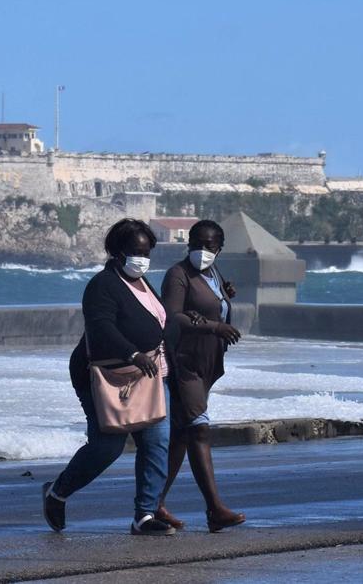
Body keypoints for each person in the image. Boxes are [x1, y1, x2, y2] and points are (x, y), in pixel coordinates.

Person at [43, 218, 175, 536]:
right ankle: (57, 492)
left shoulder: (143, 283)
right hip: (108, 376)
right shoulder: (103, 285)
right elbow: (101, 326)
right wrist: (133, 353)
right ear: (117, 252)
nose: (142, 258)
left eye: (147, 252)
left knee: (157, 441)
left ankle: (144, 515)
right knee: (108, 447)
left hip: (150, 376)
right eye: (135, 252)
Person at [156, 219, 246, 533]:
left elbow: (210, 305)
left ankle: (153, 505)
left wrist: (225, 298)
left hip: (208, 363)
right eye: (197, 244)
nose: (202, 251)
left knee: (182, 435)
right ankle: (214, 509)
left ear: (219, 249)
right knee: (199, 431)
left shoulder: (213, 273)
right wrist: (214, 327)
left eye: (210, 246)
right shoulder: (178, 275)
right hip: (185, 363)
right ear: (189, 243)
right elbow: (173, 315)